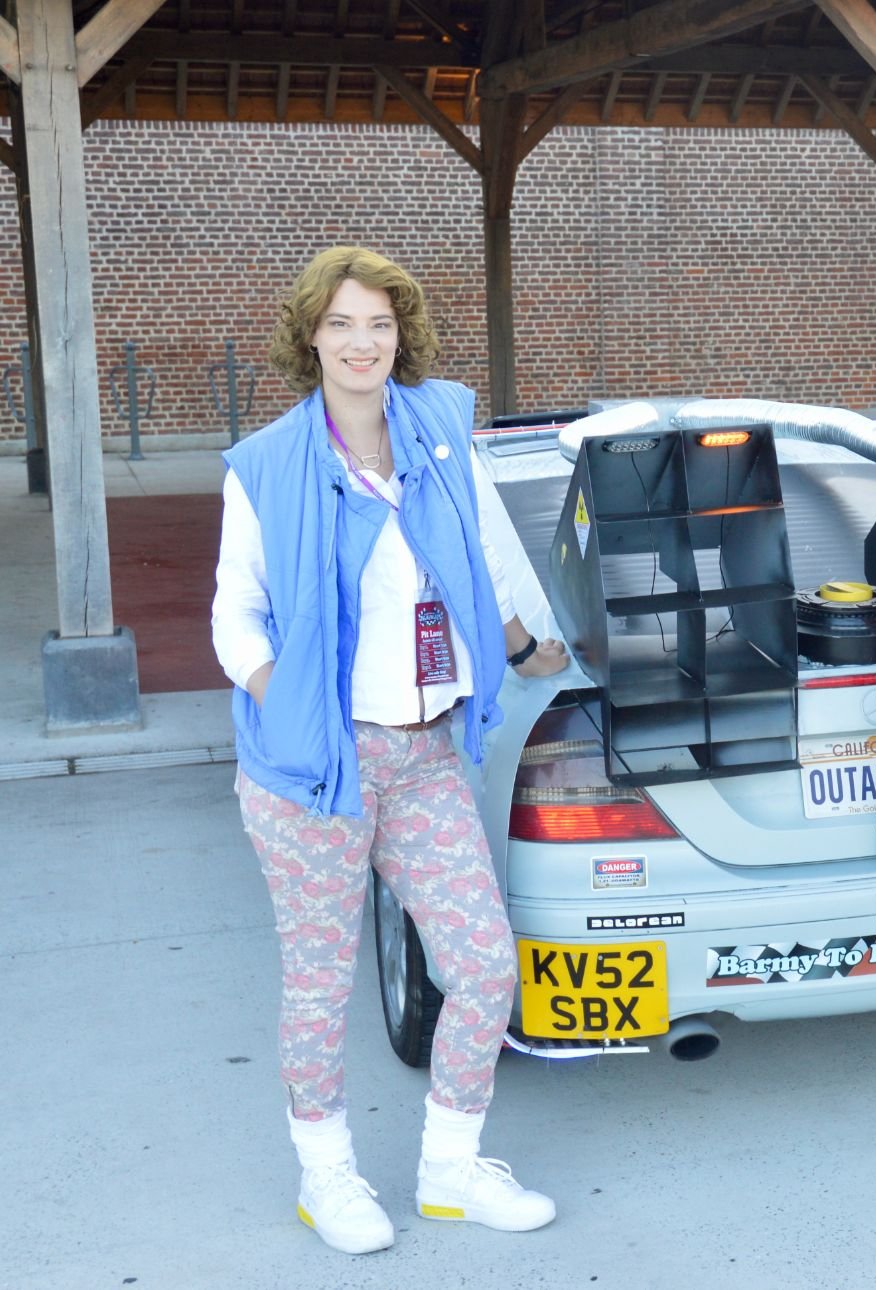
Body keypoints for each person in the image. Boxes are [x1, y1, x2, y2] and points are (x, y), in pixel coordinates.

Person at [211, 246, 568, 1254]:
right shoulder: (268, 467)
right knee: (320, 984)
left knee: (486, 964)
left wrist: (528, 647)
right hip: (312, 771)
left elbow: (486, 563)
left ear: (399, 333)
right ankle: (328, 1181)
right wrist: (287, 706)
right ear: (310, 339)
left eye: (379, 323)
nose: (362, 343)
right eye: (341, 325)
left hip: (422, 756)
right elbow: (236, 613)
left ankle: (450, 1171)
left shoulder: (441, 439)